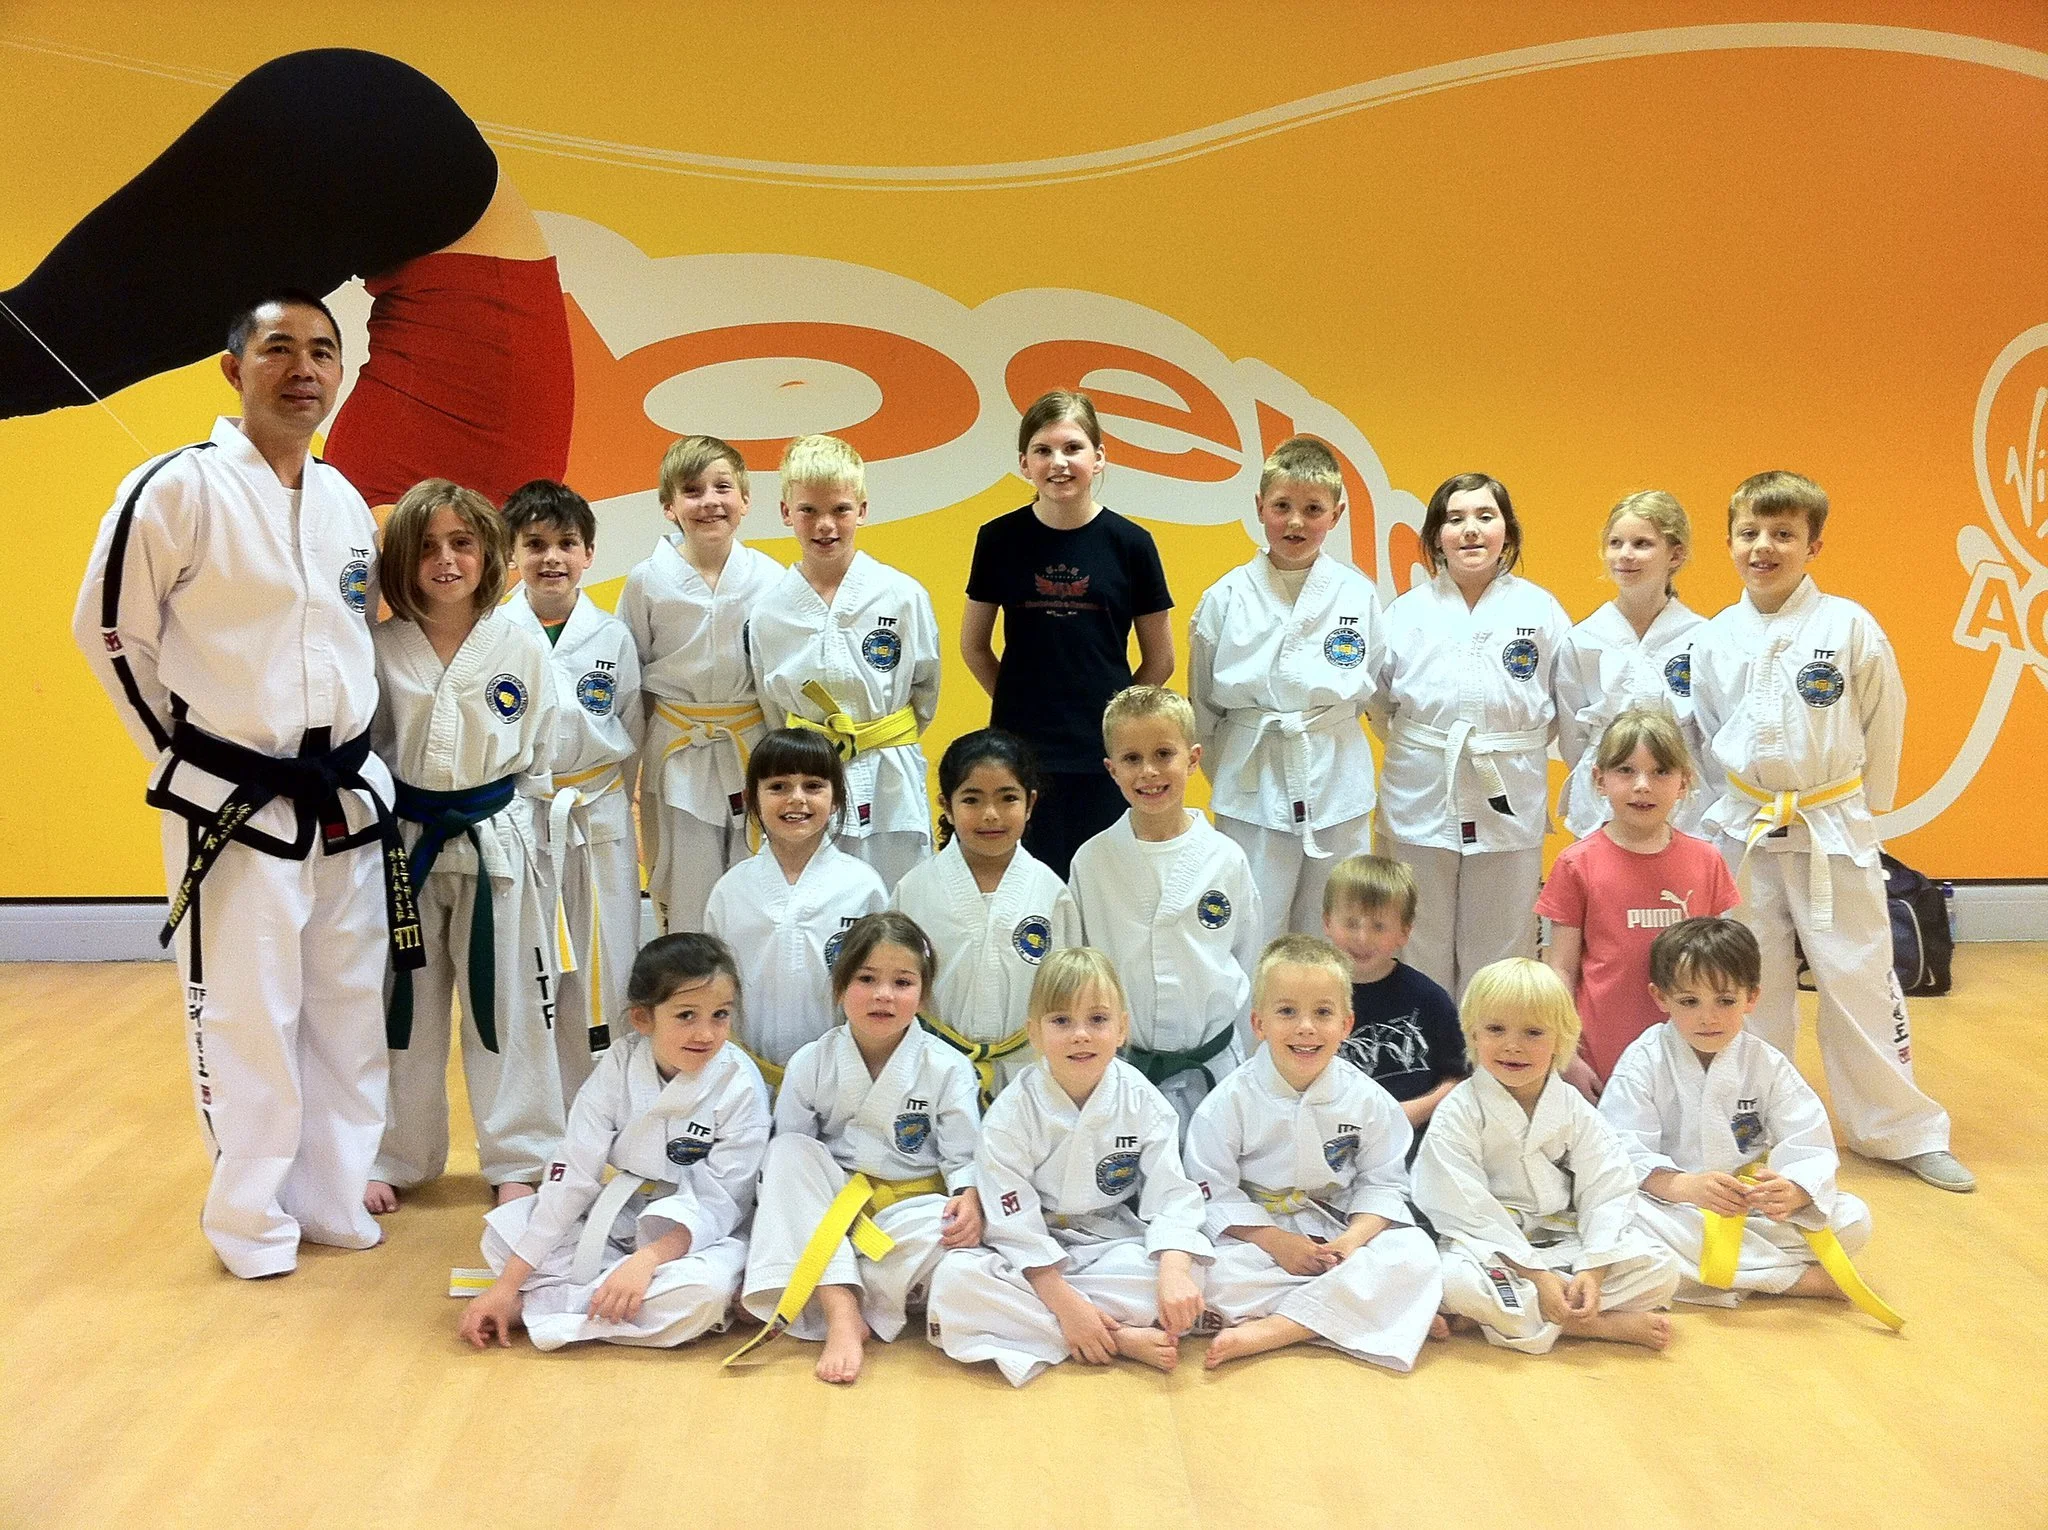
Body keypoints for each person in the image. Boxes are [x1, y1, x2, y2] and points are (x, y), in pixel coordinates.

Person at [71, 291, 407, 1278]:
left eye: (322, 352)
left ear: (341, 374)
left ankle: (334, 1197)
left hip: (343, 789)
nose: (303, 368)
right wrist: (181, 757)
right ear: (234, 369)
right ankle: (252, 1219)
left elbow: (348, 644)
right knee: (247, 1011)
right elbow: (107, 634)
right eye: (278, 350)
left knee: (347, 1004)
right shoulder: (175, 487)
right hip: (233, 793)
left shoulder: (344, 501)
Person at [3, 49, 573, 509]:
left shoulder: (462, 542)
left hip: (386, 132)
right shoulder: (436, 566)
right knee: (35, 359)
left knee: (39, 352)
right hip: (381, 160)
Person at [1692, 471, 1972, 1192]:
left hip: (1830, 824)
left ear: (1813, 544)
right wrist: (1724, 810)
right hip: (1747, 825)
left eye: (1784, 534)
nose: (1765, 547)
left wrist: (1861, 806)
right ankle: (1751, 1129)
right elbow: (1705, 735)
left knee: (1858, 978)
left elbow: (1887, 718)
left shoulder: (1848, 625)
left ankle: (1899, 1130)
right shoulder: (1715, 636)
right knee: (1750, 987)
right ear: (1730, 543)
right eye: (1751, 534)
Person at [366, 479, 563, 1213]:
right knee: (401, 1007)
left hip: (495, 840)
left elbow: (541, 748)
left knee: (506, 1007)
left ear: (489, 552)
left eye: (461, 543)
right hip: (406, 842)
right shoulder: (381, 648)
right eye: (425, 547)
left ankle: (520, 1156)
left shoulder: (520, 642)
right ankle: (395, 1152)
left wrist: (530, 836)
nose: (445, 560)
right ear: (400, 563)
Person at [456, 933, 771, 1350]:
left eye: (720, 1015)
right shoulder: (618, 1066)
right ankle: (572, 1299)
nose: (706, 1033)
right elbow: (575, 1173)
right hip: (623, 1211)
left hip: (700, 1230)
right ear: (643, 1019)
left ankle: (537, 1307)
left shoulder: (740, 1083)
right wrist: (506, 1284)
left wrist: (647, 1261)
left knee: (702, 1293)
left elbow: (721, 1204)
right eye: (686, 1015)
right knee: (501, 1234)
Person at [925, 948, 1211, 1385]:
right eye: (1061, 1021)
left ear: (1122, 1029)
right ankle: (1116, 1337)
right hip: (1035, 1246)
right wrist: (1062, 1300)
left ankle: (1074, 1328)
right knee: (956, 1282)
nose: (1081, 1035)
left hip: (1110, 1240)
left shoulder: (1142, 1100)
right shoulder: (1012, 1113)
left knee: (1203, 1271)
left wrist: (1173, 1271)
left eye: (1097, 1020)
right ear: (1034, 1034)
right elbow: (1012, 1223)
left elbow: (1172, 1194)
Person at [734, 912, 983, 1384]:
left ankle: (824, 1282)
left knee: (957, 1244)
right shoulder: (812, 1061)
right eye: (866, 979)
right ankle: (842, 1308)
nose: (883, 995)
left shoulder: (947, 1067)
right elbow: (792, 1165)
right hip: (834, 1205)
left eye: (902, 982)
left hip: (911, 1212)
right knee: (786, 1151)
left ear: (923, 995)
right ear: (840, 987)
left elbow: (963, 1158)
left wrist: (969, 1196)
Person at [1599, 919, 1885, 1314]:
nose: (1708, 1018)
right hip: (1672, 1208)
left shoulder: (1765, 1064)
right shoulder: (1643, 1061)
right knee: (1620, 1223)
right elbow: (1619, 1151)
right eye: (1689, 1002)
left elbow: (1807, 1138)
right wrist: (1684, 1186)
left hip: (1748, 1211)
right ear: (1660, 997)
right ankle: (1795, 1281)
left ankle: (1722, 1275)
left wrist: (1795, 1189)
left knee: (1854, 1218)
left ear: (1752, 997)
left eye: (1725, 1001)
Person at [1185, 935, 1445, 1370]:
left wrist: (1349, 1243)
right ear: (1258, 1023)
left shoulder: (1367, 1099)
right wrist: (1277, 1243)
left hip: (1338, 1225)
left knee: (1416, 1254)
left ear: (1346, 1024)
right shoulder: (1227, 1103)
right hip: (1259, 1233)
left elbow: (1383, 1183)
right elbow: (1210, 1192)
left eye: (1323, 1013)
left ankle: (1281, 1328)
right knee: (1211, 1274)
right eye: (1287, 1011)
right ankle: (1371, 1310)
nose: (1305, 1027)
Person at [1413, 959, 1681, 1353]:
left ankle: (1521, 1316)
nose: (1513, 1045)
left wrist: (1594, 1266)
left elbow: (1607, 1183)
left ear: (1561, 1040)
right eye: (1495, 1029)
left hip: (1563, 1240)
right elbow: (1463, 1203)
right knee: (1454, 1283)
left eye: (1534, 1032)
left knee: (1663, 1269)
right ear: (1471, 1032)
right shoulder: (1460, 1110)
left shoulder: (1571, 1106)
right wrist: (1536, 1275)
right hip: (1493, 1250)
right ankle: (1591, 1326)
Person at [961, 390, 1175, 877]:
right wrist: (1019, 701)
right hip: (1019, 751)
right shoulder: (998, 539)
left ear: (1098, 458)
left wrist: (1116, 723)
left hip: (1101, 754)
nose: (1058, 462)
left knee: (1101, 885)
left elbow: (1160, 659)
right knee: (1027, 888)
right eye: (1043, 450)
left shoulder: (1132, 545)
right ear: (1024, 463)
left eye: (1073, 448)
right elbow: (974, 646)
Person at [1372, 472, 1570, 997]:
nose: (1471, 531)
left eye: (1485, 517)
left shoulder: (1541, 611)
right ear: (1436, 535)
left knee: (1502, 945)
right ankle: (1428, 1057)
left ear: (1508, 531)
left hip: (1507, 789)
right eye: (1455, 519)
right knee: (1417, 938)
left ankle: (1491, 1061)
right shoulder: (1405, 614)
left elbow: (1562, 704)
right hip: (1422, 788)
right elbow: (1378, 704)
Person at [1189, 436, 1385, 945]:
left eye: (1312, 509)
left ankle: (1329, 1024)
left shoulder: (1357, 595)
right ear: (1259, 508)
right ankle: (1253, 1028)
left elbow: (1365, 695)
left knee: (1337, 924)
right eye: (1282, 507)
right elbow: (1204, 705)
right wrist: (1229, 772)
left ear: (1336, 514)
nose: (1296, 522)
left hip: (1335, 773)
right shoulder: (1225, 597)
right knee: (1251, 927)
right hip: (1252, 777)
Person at [500, 479, 643, 1105]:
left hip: (598, 807)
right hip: (524, 807)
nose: (551, 557)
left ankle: (610, 1090)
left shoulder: (611, 636)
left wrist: (624, 801)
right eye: (535, 544)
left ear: (589, 554)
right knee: (532, 954)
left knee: (607, 949)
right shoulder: (493, 631)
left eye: (566, 543)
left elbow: (632, 724)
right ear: (512, 554)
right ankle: (541, 1099)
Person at [747, 434, 940, 893]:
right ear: (785, 513)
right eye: (808, 510)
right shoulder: (769, 612)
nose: (825, 525)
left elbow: (924, 690)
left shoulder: (902, 595)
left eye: (840, 509)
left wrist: (875, 735)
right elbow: (772, 710)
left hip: (889, 773)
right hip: (808, 783)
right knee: (816, 905)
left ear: (863, 510)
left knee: (897, 902)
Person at [1067, 686, 1263, 1125]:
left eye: (1163, 754)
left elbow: (1246, 957)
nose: (1149, 772)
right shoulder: (1093, 861)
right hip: (1121, 1071)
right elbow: (1081, 966)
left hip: (1213, 1067)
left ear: (1193, 759)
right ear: (1111, 769)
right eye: (1132, 759)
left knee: (1217, 1185)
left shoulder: (1226, 858)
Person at [619, 435, 784, 934]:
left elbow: (779, 680)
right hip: (677, 747)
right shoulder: (646, 581)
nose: (709, 501)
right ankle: (691, 997)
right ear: (669, 507)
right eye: (692, 491)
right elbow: (631, 684)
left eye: (723, 487)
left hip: (749, 742)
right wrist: (629, 775)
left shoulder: (772, 579)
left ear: (746, 500)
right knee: (687, 882)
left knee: (755, 880)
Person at [1537, 709, 1738, 1089]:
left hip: (1687, 1059)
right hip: (1600, 1061)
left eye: (1661, 771)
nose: (1643, 785)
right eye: (1626, 771)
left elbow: (1719, 970)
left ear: (1684, 783)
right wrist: (1565, 1056)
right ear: (1599, 780)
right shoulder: (1576, 863)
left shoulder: (1707, 861)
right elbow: (1561, 969)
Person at [891, 729, 1082, 1103]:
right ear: (946, 804)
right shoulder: (913, 891)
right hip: (931, 1070)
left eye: (1007, 798)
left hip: (1031, 1073)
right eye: (972, 799)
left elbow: (1069, 992)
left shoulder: (1051, 892)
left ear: (1030, 804)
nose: (990, 815)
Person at [703, 729, 888, 1089]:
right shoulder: (731, 889)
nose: (796, 799)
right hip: (745, 1073)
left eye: (813, 785)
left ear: (836, 799)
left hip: (841, 1074)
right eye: (778, 787)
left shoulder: (863, 887)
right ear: (751, 799)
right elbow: (711, 987)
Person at [1554, 491, 1711, 839]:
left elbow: (1709, 732)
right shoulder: (1583, 640)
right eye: (1615, 543)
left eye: (1642, 543)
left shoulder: (1703, 639)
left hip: (1684, 802)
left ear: (1676, 553)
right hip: (1605, 798)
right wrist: (1612, 777)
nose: (1625, 555)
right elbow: (1573, 738)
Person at [1321, 856, 1466, 1143]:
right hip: (1328, 1138)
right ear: (1327, 922)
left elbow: (1459, 1078)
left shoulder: (1428, 999)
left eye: (1378, 926)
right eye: (1351, 923)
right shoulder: (1311, 996)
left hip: (1415, 1140)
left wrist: (1408, 1114)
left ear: (1404, 932)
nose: (1362, 938)